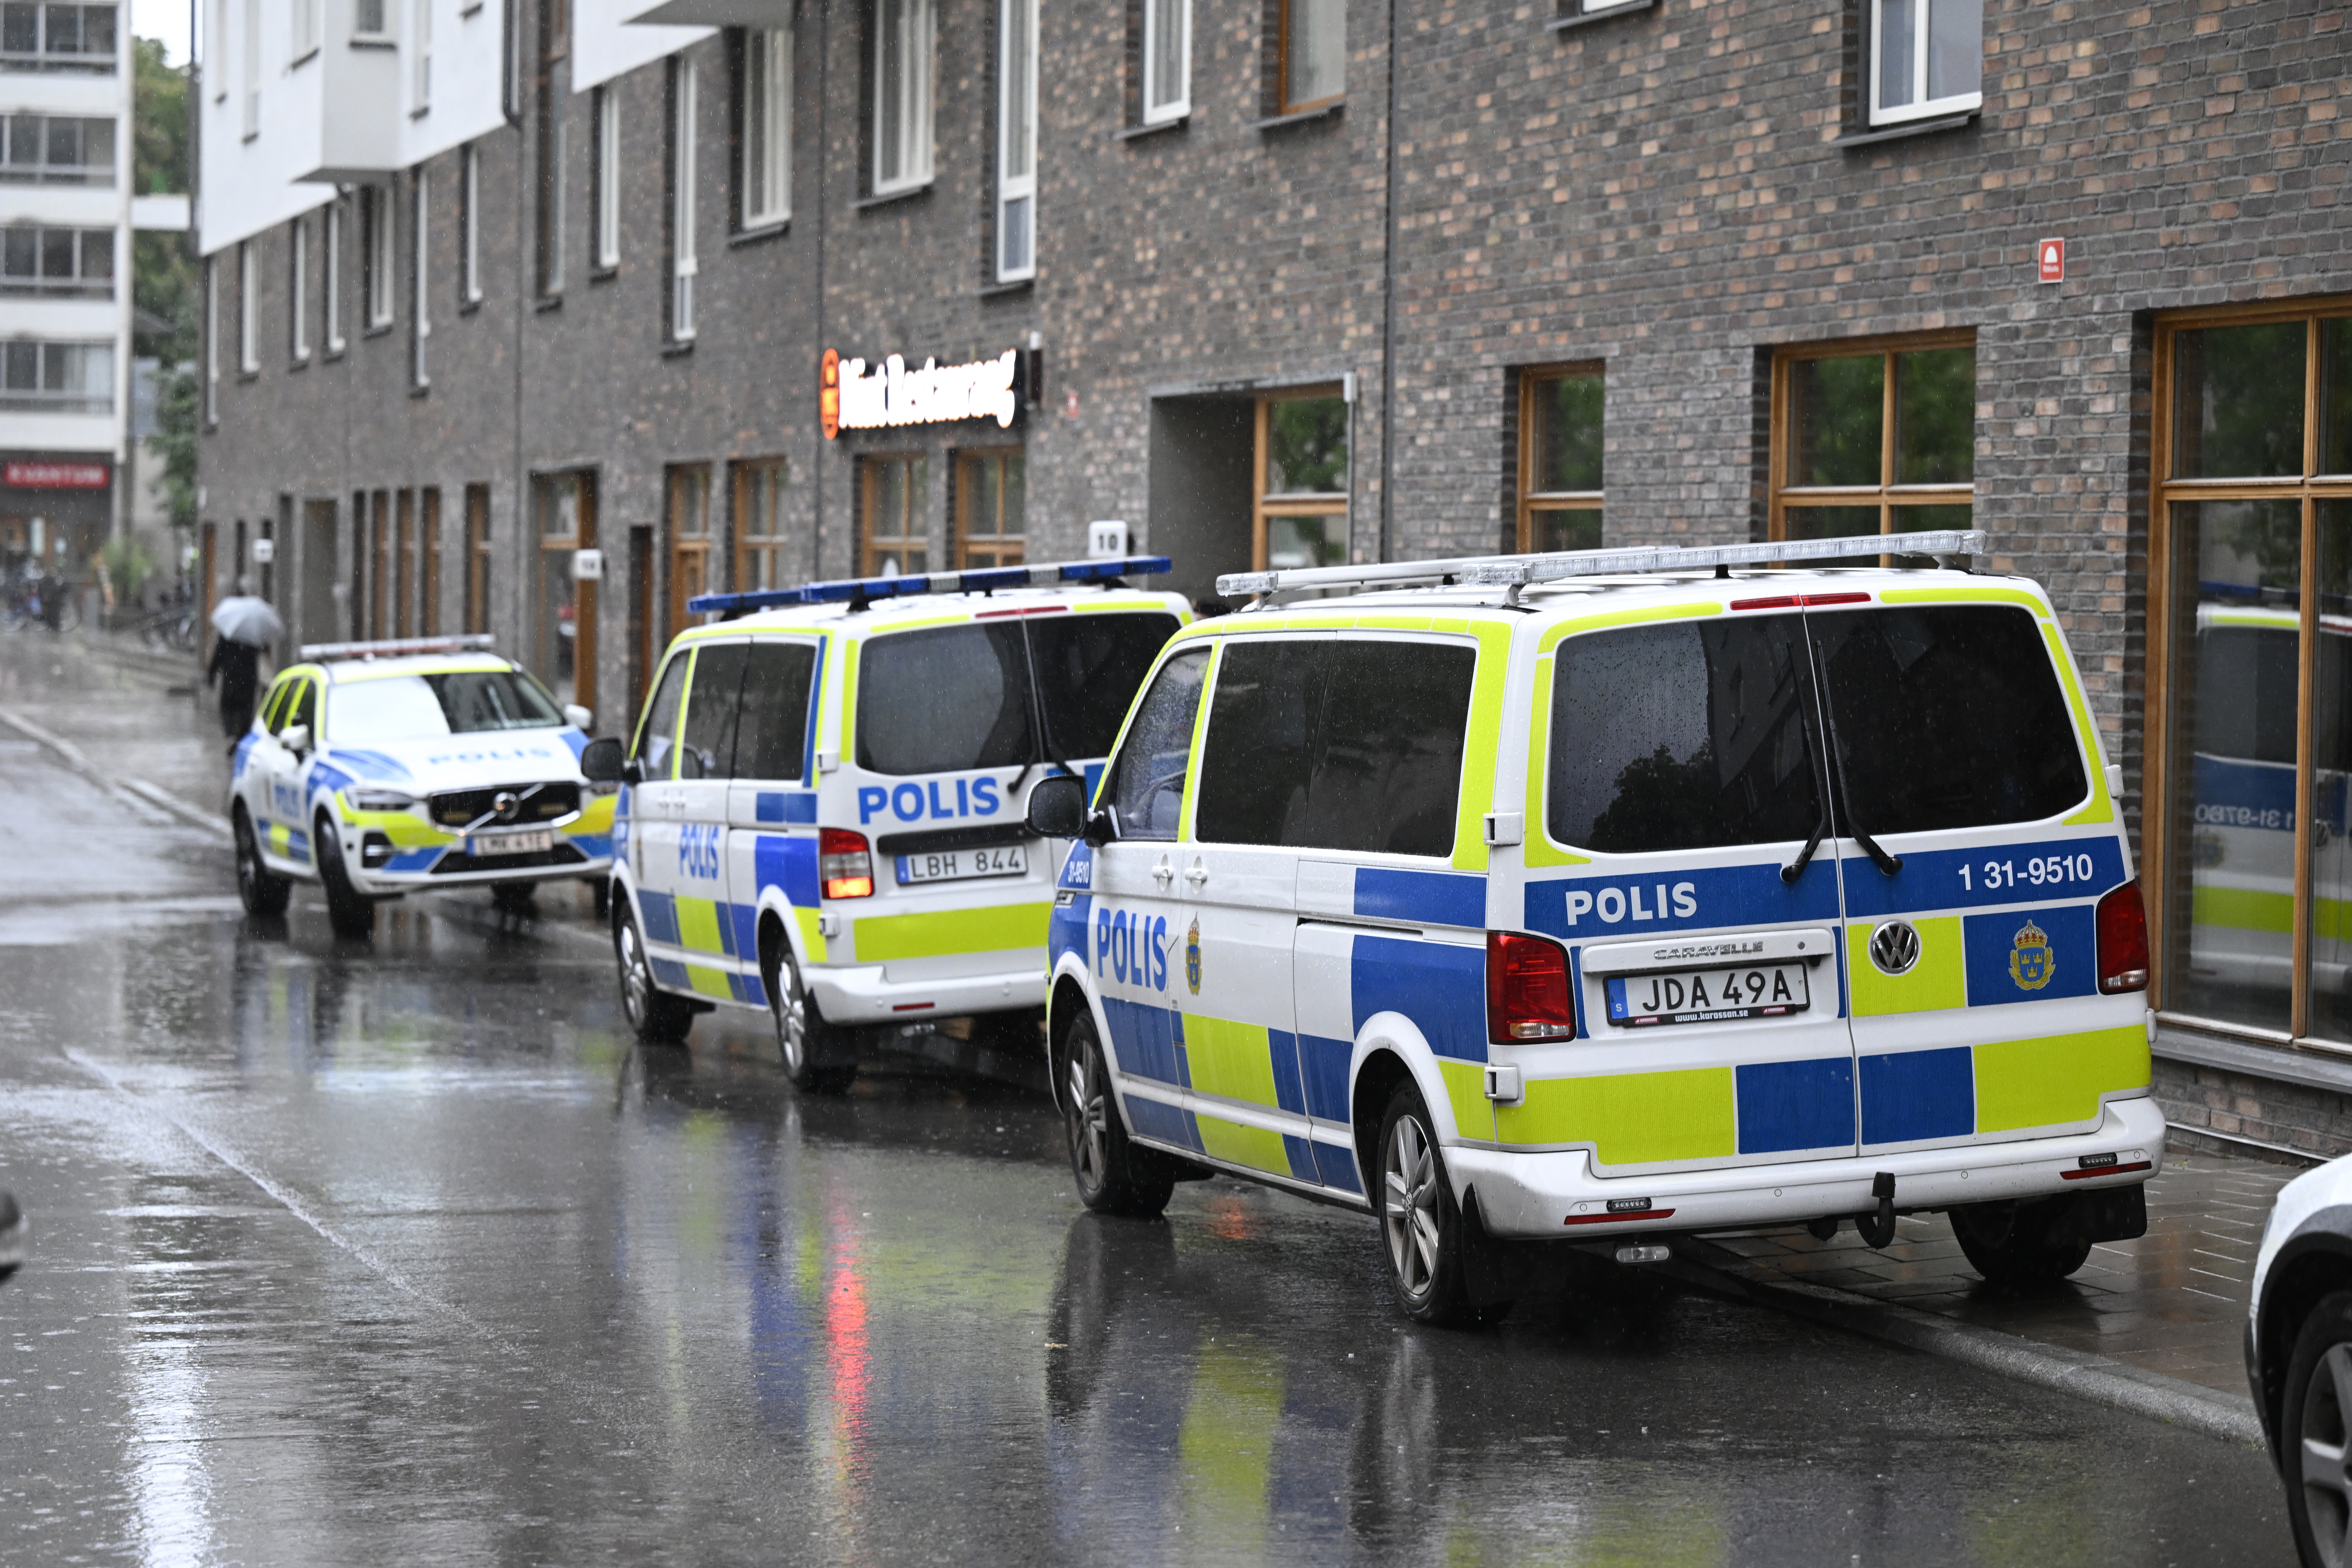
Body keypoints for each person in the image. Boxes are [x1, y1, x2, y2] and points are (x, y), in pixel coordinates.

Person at [207, 634, 261, 748]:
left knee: (227, 709)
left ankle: (231, 736)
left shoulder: (227, 634)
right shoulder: (252, 636)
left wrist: (212, 675)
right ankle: (243, 739)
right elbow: (256, 654)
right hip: (248, 681)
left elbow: (218, 656)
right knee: (246, 710)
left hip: (232, 679)